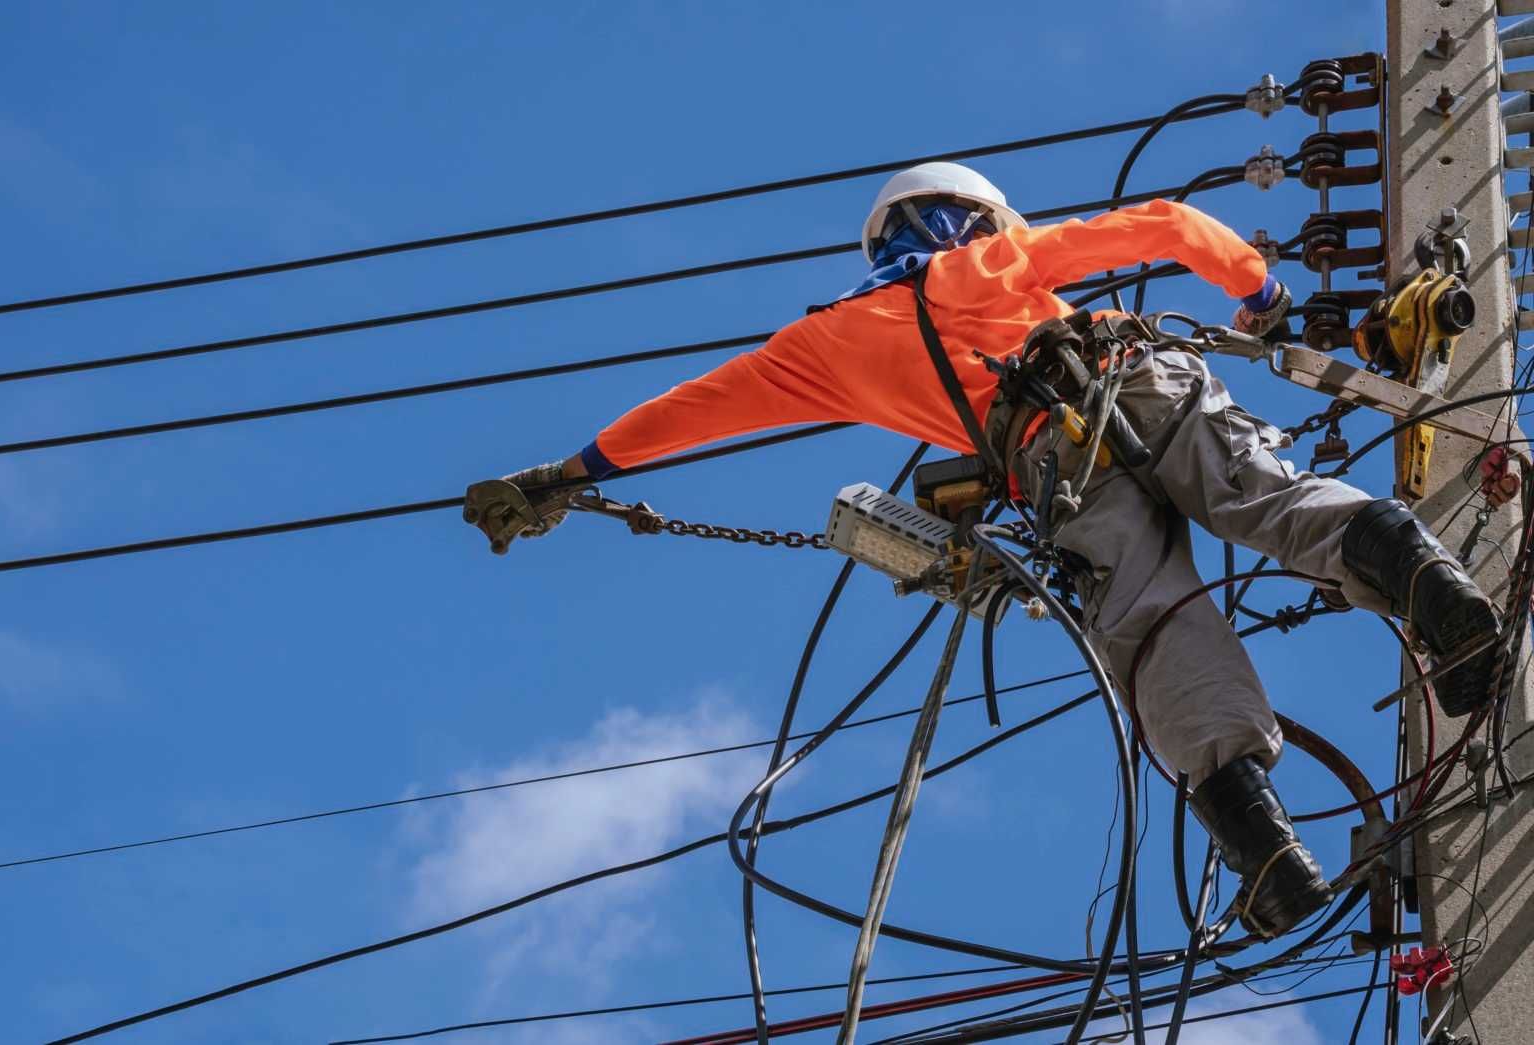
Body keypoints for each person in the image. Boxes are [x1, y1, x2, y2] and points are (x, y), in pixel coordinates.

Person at [474, 162, 1501, 936]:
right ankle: (1441, 604)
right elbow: (1168, 224)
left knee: (1148, 627)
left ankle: (1265, 850)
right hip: (1133, 382)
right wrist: (1260, 295)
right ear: (970, 221)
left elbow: (695, 410)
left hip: (1053, 459)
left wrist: (563, 476)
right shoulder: (989, 262)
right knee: (1270, 503)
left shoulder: (822, 346)